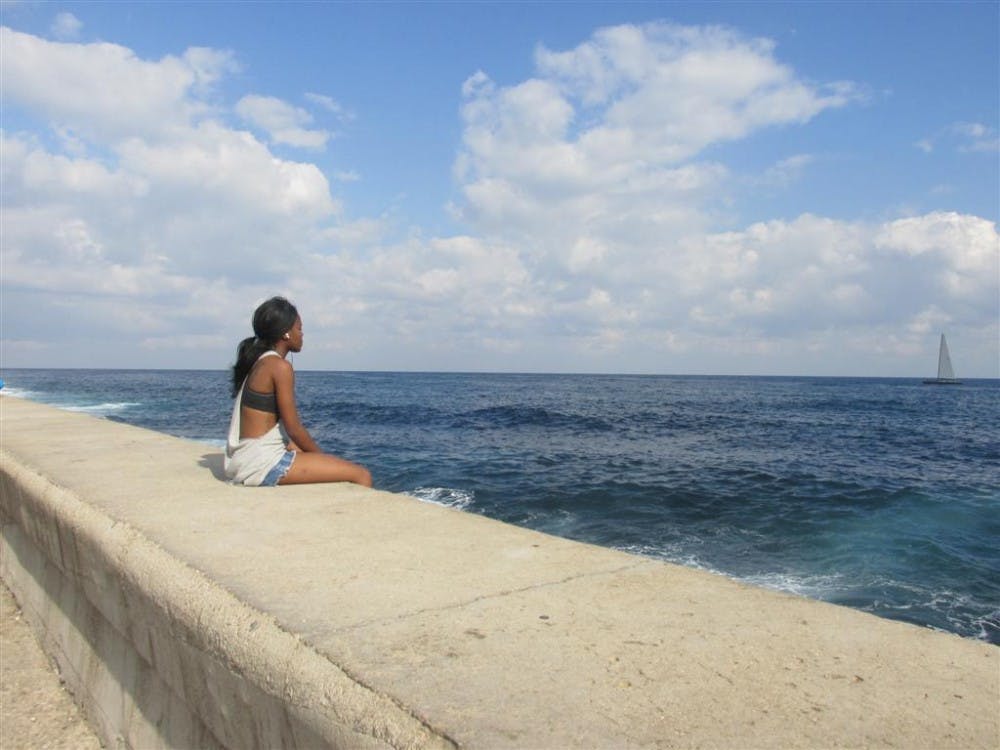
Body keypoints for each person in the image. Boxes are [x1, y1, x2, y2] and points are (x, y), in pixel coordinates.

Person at [225, 296, 372, 488]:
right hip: (262, 464)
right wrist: (322, 457)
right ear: (286, 333)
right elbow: (294, 428)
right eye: (299, 329)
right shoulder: (279, 366)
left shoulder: (261, 362)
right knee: (361, 475)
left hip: (246, 459)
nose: (302, 335)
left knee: (324, 463)